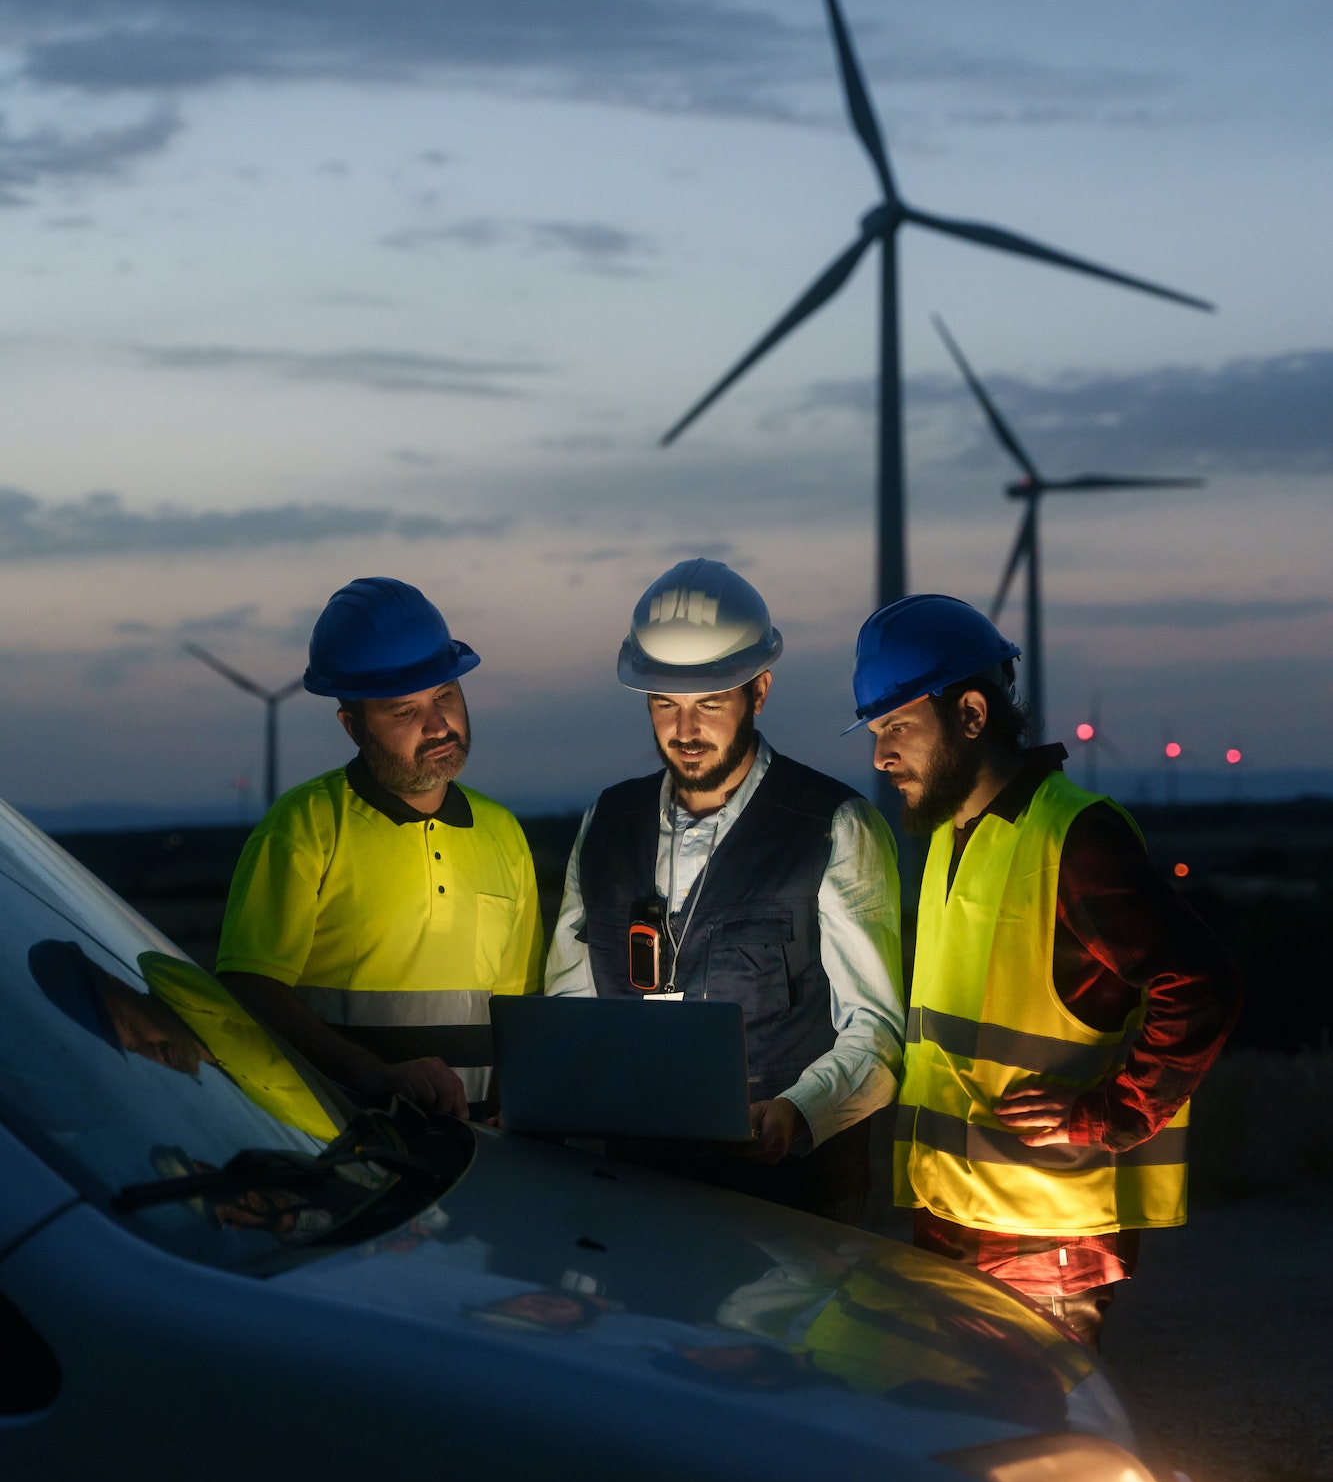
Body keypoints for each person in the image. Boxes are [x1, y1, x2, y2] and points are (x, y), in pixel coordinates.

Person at [848, 593, 1243, 1346]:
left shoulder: (1074, 837)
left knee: (1044, 1451)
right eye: (874, 732)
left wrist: (1114, 1113)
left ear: (970, 713)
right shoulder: (951, 836)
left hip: (1040, 1238)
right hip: (953, 1218)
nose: (880, 756)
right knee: (964, 1445)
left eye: (896, 726)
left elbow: (1202, 986)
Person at [546, 559, 904, 1222]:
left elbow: (875, 1030)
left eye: (708, 703)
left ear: (759, 690)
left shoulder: (832, 826)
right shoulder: (606, 821)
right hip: (638, 1194)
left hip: (792, 1207)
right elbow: (570, 1001)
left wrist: (801, 1111)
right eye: (664, 704)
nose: (684, 731)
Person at [216, 577, 542, 1119]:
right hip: (348, 1145)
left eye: (445, 696)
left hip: (484, 1158)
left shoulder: (502, 832)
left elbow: (519, 1012)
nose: (438, 725)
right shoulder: (305, 825)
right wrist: (374, 1077)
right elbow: (249, 990)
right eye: (404, 711)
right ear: (353, 726)